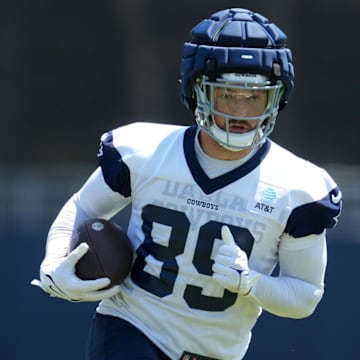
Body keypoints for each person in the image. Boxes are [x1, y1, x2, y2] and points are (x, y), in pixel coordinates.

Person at [32, 8, 342, 360]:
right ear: (198, 90)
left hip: (217, 353)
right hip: (132, 327)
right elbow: (84, 206)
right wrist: (54, 259)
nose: (241, 112)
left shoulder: (299, 187)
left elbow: (304, 296)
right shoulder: (145, 152)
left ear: (276, 98)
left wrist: (251, 283)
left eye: (254, 96)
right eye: (228, 94)